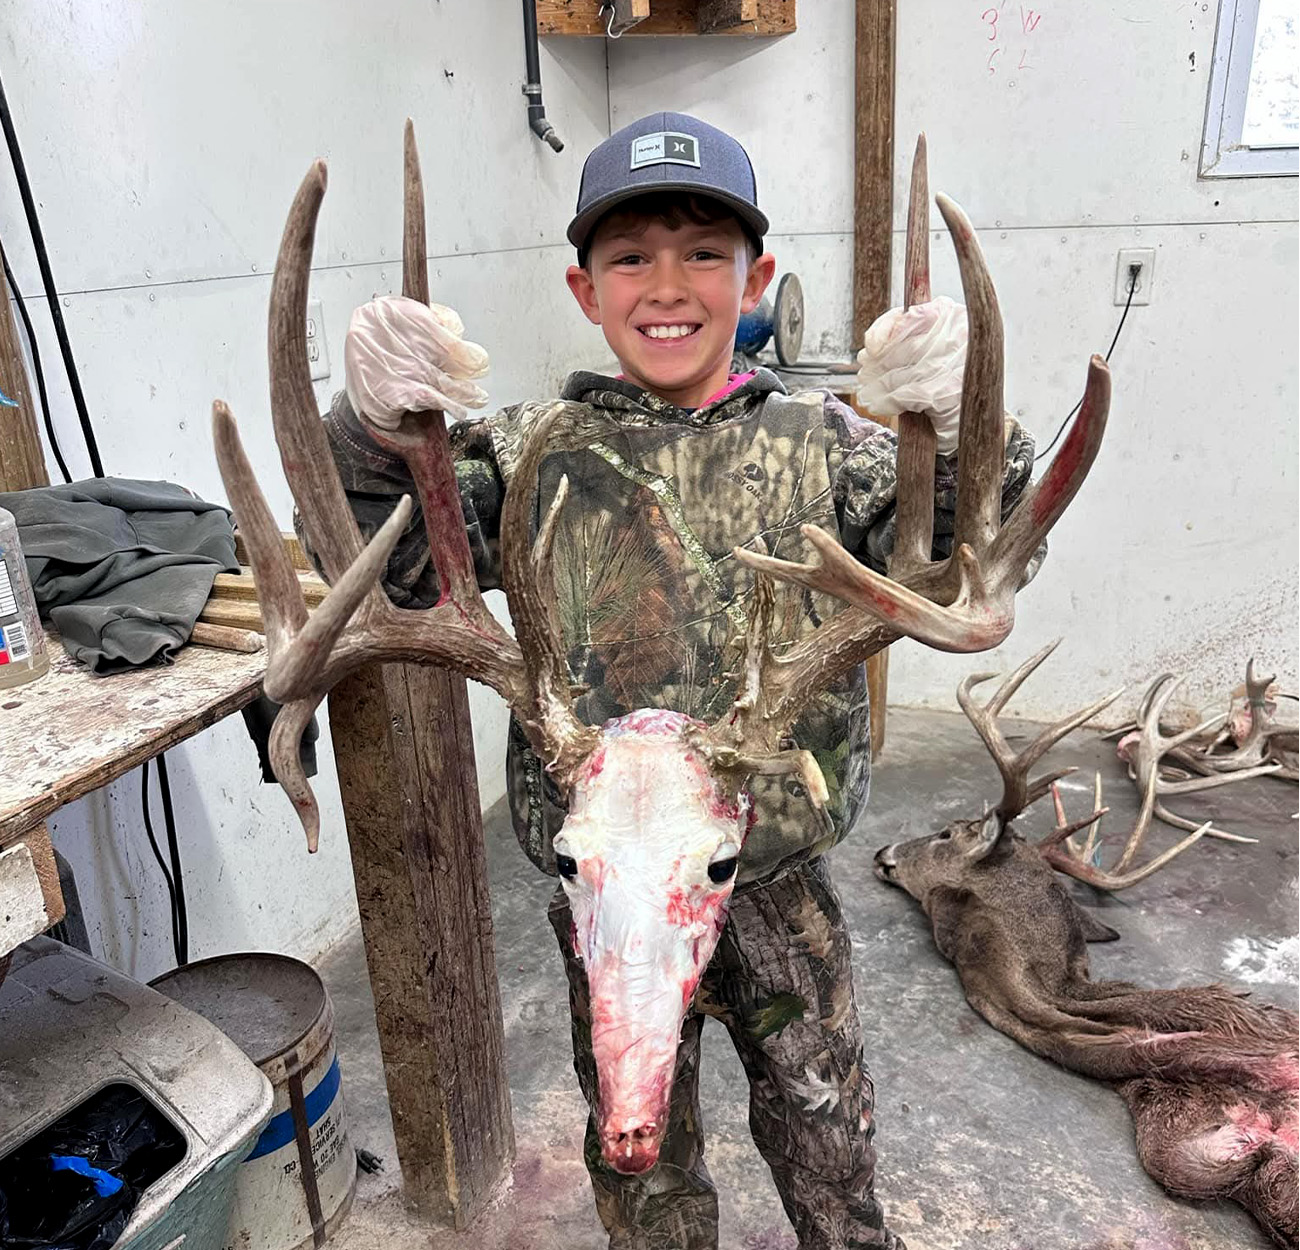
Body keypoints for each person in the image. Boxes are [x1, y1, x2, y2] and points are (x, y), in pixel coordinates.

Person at [314, 112, 1039, 1250]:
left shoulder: (830, 441)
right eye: (630, 256)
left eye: (704, 252)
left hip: (774, 879)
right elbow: (386, 552)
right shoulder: (528, 448)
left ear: (754, 278)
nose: (668, 284)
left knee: (829, 1147)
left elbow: (969, 549)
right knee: (640, 1158)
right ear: (582, 286)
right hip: (604, 892)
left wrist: (954, 428)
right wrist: (366, 431)